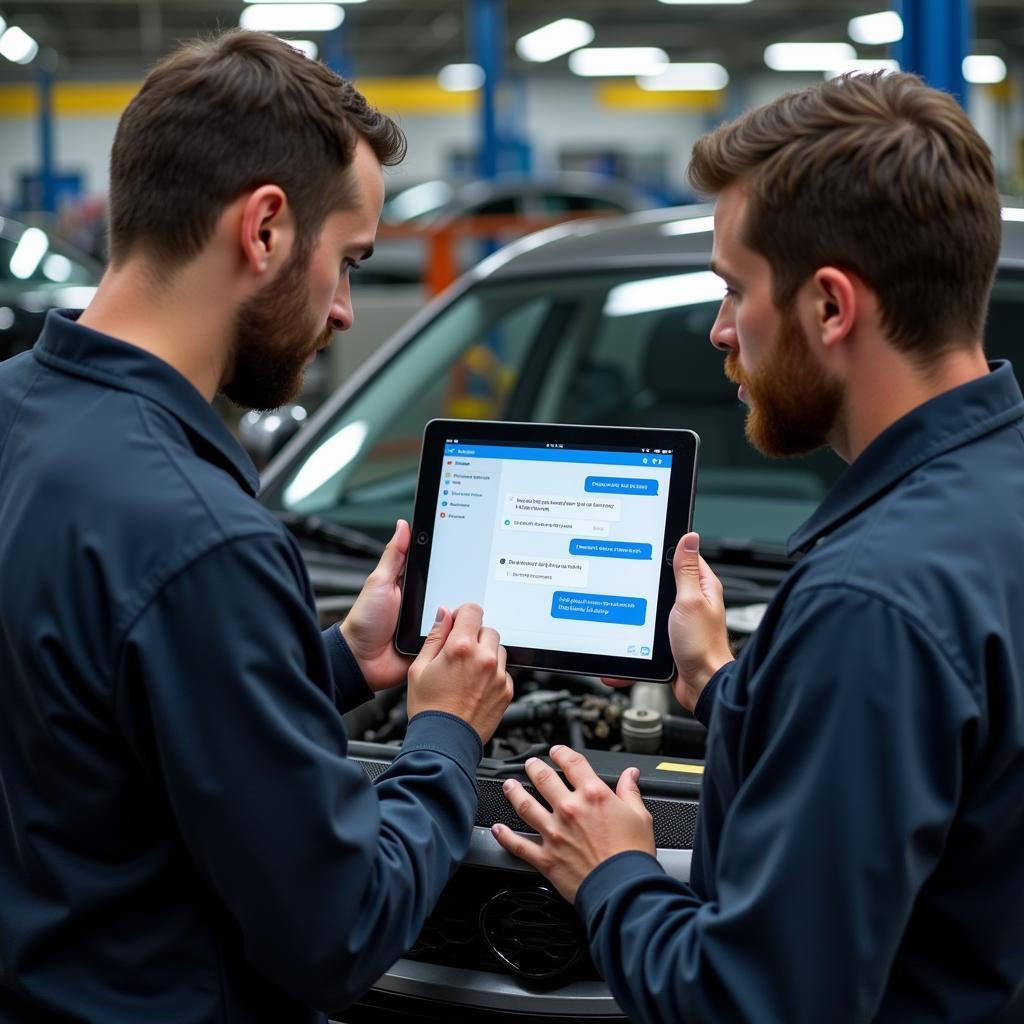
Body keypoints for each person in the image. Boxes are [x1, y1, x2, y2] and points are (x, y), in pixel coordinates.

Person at [0, 30, 513, 1023]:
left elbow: (89, 710)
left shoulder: (19, 412)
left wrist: (331, 660)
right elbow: (341, 927)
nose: (347, 311)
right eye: (350, 262)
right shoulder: (201, 535)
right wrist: (448, 734)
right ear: (266, 229)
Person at [493, 71, 1024, 1023]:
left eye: (735, 290)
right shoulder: (989, 501)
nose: (719, 331)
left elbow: (756, 1001)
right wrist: (720, 685)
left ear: (830, 306)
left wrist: (614, 873)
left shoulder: (872, 602)